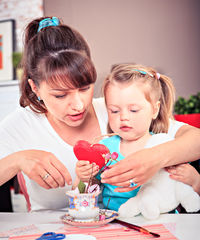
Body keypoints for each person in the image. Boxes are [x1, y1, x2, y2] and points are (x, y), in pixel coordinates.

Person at [0, 17, 200, 211]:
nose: (78, 105)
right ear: (35, 87)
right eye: (60, 95)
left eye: (85, 88)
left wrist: (155, 158)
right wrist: (17, 160)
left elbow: (195, 139)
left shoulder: (115, 109)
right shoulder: (21, 124)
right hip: (51, 234)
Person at [76, 64, 200, 211]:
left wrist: (195, 180)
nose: (123, 117)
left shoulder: (164, 145)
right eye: (114, 111)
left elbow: (183, 191)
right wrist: (83, 179)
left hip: (161, 220)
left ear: (155, 110)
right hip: (117, 223)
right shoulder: (104, 149)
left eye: (134, 110)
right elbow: (84, 199)